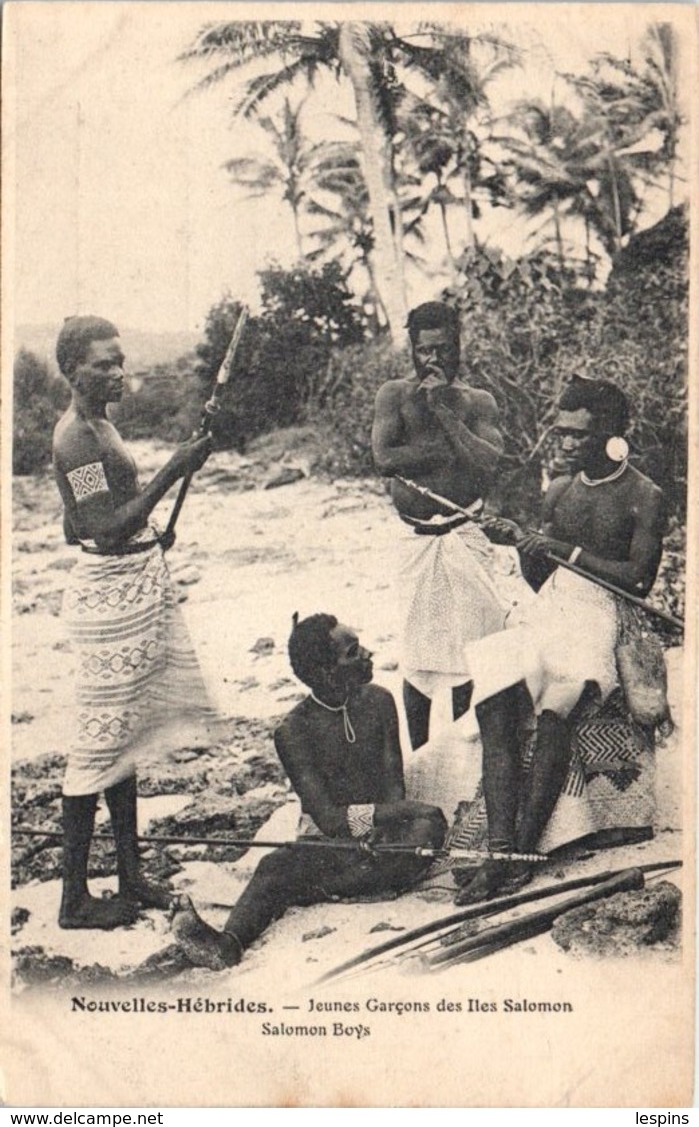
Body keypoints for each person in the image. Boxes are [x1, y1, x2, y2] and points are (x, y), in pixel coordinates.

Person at [457, 375, 666, 902]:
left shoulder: (645, 495)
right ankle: (498, 852)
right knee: (496, 691)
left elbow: (639, 579)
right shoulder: (559, 490)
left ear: (613, 434)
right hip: (550, 609)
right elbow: (538, 578)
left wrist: (564, 552)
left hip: (604, 613)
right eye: (561, 432)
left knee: (556, 711)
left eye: (578, 435)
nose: (565, 442)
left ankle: (523, 853)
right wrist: (524, 547)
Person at [52, 315, 215, 929]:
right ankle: (73, 899)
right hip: (109, 599)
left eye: (120, 359)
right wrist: (174, 469)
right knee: (98, 744)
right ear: (73, 372)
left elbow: (84, 520)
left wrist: (153, 535)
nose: (118, 371)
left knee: (121, 738)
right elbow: (98, 527)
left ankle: (128, 873)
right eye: (102, 364)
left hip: (128, 582)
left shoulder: (101, 425)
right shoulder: (75, 439)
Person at [169, 614, 447, 970]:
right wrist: (373, 826)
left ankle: (321, 888)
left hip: (386, 838)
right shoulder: (293, 731)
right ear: (325, 672)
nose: (367, 654)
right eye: (353, 652)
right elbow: (328, 818)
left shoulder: (380, 700)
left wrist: (389, 824)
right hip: (331, 842)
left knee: (429, 826)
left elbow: (394, 783)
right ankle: (228, 944)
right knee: (274, 866)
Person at [371, 300, 520, 781]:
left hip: (465, 536)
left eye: (443, 348)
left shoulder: (478, 401)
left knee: (471, 653)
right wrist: (445, 450)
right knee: (418, 656)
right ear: (411, 351)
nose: (433, 359)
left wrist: (446, 416)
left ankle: (465, 759)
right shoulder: (393, 395)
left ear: (459, 346)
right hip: (418, 541)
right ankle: (420, 759)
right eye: (423, 350)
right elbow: (384, 458)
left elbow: (488, 465)